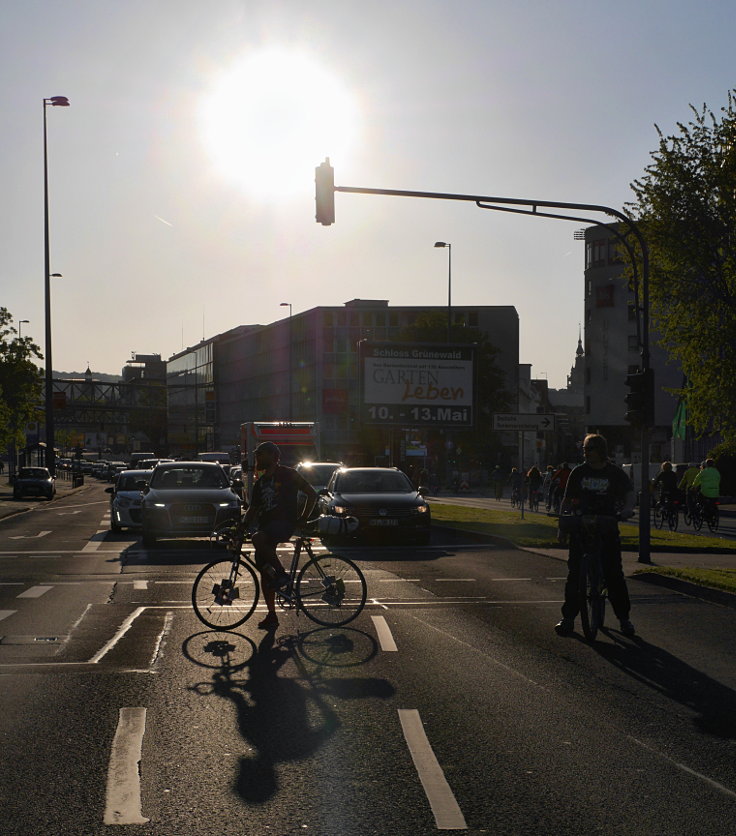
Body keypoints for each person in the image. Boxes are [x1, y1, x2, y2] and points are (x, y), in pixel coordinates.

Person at [555, 433, 636, 638]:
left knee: (613, 573)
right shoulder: (578, 472)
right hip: (581, 526)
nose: (585, 452)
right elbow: (567, 500)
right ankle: (568, 619)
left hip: (607, 524)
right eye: (584, 448)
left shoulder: (614, 473)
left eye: (589, 448)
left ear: (600, 450)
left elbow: (629, 493)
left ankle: (624, 619)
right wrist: (562, 525)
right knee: (575, 573)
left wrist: (627, 509)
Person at [239, 441, 318, 631]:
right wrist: (240, 528)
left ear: (273, 456)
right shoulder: (260, 483)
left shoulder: (288, 474)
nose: (257, 458)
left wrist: (302, 519)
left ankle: (282, 575)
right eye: (256, 454)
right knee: (265, 573)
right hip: (268, 529)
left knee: (258, 539)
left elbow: (312, 494)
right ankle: (272, 615)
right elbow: (253, 509)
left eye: (261, 454)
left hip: (283, 526)